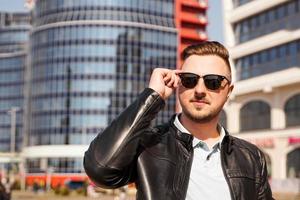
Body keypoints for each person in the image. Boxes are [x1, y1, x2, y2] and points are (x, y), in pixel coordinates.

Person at [84, 41, 274, 200]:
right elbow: (100, 169)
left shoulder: (251, 157)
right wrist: (153, 97)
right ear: (179, 84)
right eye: (190, 79)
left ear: (228, 92)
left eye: (213, 81)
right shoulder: (148, 145)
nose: (200, 90)